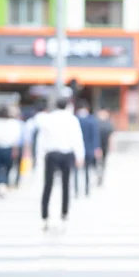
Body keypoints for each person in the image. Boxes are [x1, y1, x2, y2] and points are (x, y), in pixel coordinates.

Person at [38, 98, 85, 232]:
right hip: (66, 154)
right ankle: (64, 214)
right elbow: (77, 138)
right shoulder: (72, 119)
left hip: (51, 154)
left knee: (48, 185)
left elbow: (41, 139)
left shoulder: (48, 118)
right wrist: (79, 155)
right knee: (66, 185)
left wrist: (40, 156)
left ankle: (45, 216)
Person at [0, 106, 23, 197]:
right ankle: (4, 183)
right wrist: (15, 149)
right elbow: (16, 137)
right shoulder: (13, 123)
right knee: (8, 167)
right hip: (9, 148)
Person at [75, 99, 102, 197]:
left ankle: (76, 190)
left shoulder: (75, 119)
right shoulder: (91, 120)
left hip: (76, 149)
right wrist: (97, 148)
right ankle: (86, 190)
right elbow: (95, 135)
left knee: (76, 171)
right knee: (87, 170)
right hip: (89, 148)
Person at [23, 102, 48, 172]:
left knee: (36, 167)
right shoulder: (50, 119)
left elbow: (27, 138)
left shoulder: (31, 121)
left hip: (34, 148)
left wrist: (26, 150)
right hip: (49, 148)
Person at [96, 107, 114, 186]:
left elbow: (111, 136)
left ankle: (101, 176)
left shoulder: (109, 123)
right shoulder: (96, 122)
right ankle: (98, 174)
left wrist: (111, 146)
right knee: (97, 161)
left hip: (105, 145)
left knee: (103, 161)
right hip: (97, 145)